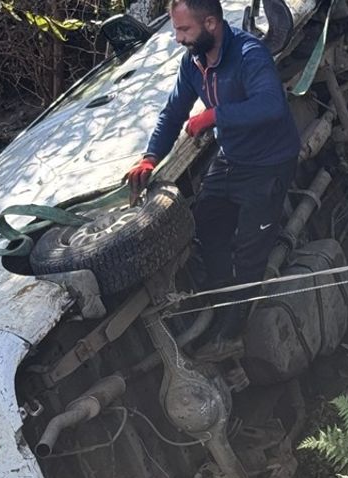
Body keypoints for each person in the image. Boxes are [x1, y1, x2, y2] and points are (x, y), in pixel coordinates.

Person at [125, 0, 301, 347]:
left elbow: (271, 105)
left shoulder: (249, 54)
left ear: (210, 24)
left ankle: (233, 330)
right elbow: (173, 112)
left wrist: (215, 116)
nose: (178, 38)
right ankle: (220, 303)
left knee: (251, 250)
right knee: (206, 227)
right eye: (176, 30)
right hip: (231, 158)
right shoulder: (193, 62)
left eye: (184, 30)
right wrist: (149, 157)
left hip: (268, 163)